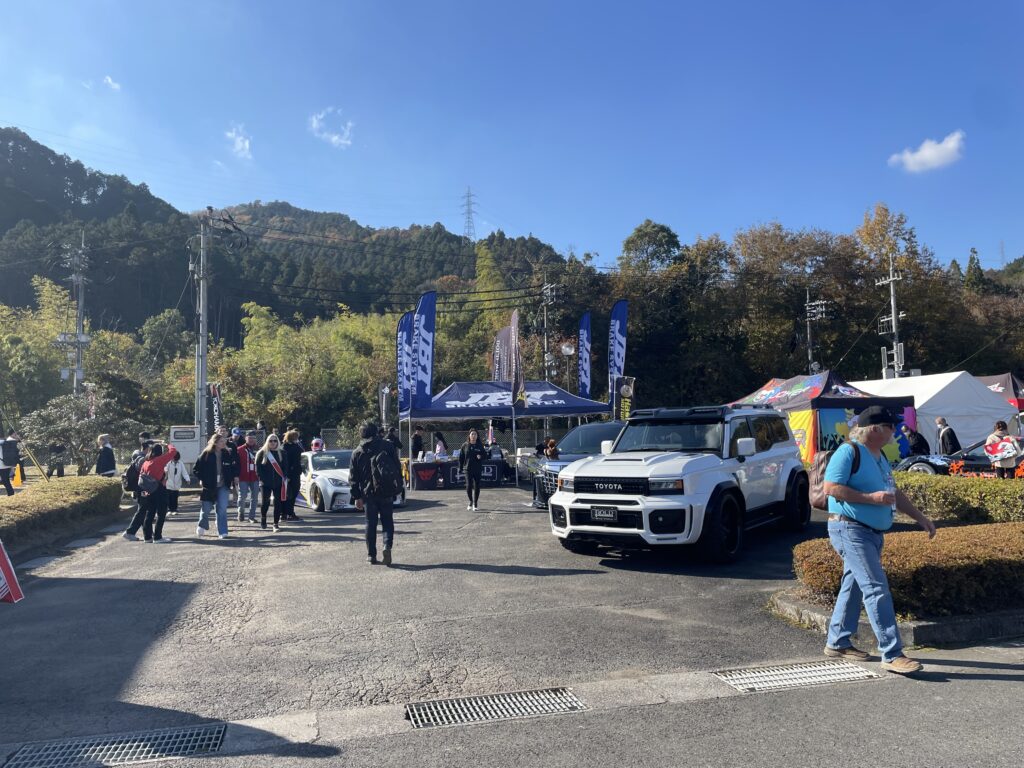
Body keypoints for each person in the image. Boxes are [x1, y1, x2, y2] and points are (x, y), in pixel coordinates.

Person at [823, 405, 936, 675]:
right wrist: (871, 499)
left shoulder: (879, 455)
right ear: (874, 428)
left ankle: (838, 641)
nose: (895, 431)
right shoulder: (848, 451)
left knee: (854, 586)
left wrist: (920, 518)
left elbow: (893, 492)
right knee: (876, 588)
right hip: (850, 529)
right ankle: (892, 653)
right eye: (890, 426)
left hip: (868, 532)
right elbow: (831, 488)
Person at [350, 422, 399, 565]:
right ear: (376, 432)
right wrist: (397, 487)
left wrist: (356, 496)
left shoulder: (357, 452)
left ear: (361, 434)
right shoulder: (388, 446)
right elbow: (396, 467)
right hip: (386, 491)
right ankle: (387, 546)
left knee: (370, 524)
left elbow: (353, 477)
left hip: (368, 494)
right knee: (387, 521)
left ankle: (371, 555)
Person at [122, 443, 177, 543]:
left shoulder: (146, 462)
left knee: (149, 512)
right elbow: (173, 452)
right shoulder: (159, 460)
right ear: (160, 452)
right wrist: (168, 444)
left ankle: (147, 537)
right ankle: (158, 537)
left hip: (145, 490)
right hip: (157, 489)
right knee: (161, 512)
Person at [193, 434, 237, 539]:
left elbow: (232, 467)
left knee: (222, 508)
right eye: (221, 441)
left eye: (224, 441)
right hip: (209, 486)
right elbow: (196, 469)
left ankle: (223, 531)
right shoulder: (206, 454)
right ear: (215, 442)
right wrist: (203, 479)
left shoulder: (227, 453)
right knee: (206, 509)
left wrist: (233, 478)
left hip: (223, 485)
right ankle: (201, 525)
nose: (224, 443)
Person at [255, 434, 288, 531]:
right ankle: (263, 518)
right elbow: (258, 469)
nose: (273, 443)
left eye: (275, 441)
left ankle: (275, 524)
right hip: (265, 483)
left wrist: (284, 478)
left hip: (278, 482)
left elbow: (285, 467)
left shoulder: (282, 453)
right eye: (271, 441)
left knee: (278, 503)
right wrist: (262, 479)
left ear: (278, 442)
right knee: (265, 502)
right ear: (267, 442)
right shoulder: (262, 453)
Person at [459, 428, 487, 511]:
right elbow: (461, 458)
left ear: (477, 436)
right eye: (472, 434)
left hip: (477, 469)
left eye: (475, 434)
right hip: (468, 469)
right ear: (469, 435)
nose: (473, 436)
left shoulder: (480, 445)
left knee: (477, 486)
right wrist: (460, 467)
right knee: (469, 486)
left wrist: (480, 456)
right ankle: (470, 501)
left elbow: (485, 455)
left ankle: (475, 504)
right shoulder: (465, 445)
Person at [236, 431, 261, 523]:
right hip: (243, 476)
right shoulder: (239, 449)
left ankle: (251, 517)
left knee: (255, 498)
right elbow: (236, 464)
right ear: (245, 438)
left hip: (255, 477)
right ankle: (241, 512)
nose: (251, 440)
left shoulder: (259, 449)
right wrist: (236, 476)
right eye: (249, 438)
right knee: (242, 496)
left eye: (253, 438)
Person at [281, 429, 304, 522]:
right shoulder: (287, 447)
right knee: (289, 495)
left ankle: (287, 513)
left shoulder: (291, 446)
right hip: (290, 475)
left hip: (294, 474)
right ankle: (287, 513)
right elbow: (288, 462)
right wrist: (288, 475)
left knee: (291, 495)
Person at [165, 449, 190, 516]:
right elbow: (165, 469)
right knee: (169, 497)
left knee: (175, 497)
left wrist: (187, 479)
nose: (175, 461)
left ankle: (174, 509)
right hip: (169, 483)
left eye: (176, 460)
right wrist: (165, 472)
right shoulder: (168, 463)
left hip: (177, 483)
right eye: (174, 459)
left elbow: (184, 472)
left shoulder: (180, 463)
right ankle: (169, 510)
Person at [1, 430, 21, 496]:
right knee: (6, 480)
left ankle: (11, 493)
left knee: (5, 481)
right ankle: (11, 493)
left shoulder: (4, 443)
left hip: (2, 465)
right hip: (7, 464)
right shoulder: (8, 442)